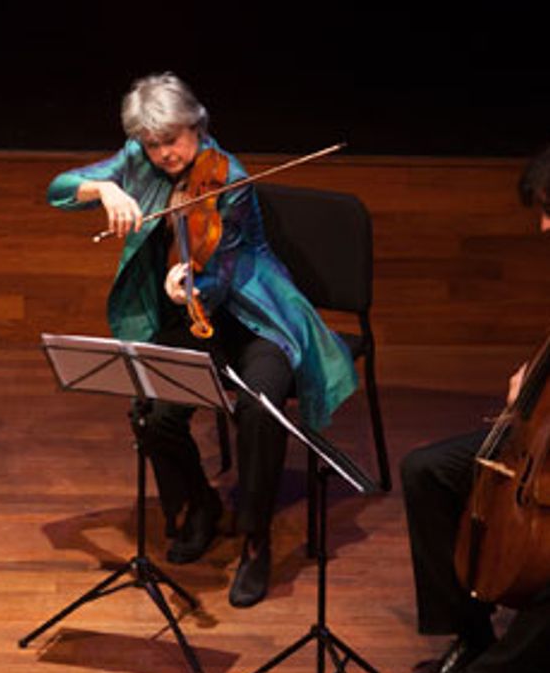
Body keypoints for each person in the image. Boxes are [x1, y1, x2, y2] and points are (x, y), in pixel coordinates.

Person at [47, 73, 357, 607]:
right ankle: (200, 504)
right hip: (195, 318)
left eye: (172, 140)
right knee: (154, 411)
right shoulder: (138, 160)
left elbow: (227, 270)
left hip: (257, 316)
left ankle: (256, 540)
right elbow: (58, 189)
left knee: (259, 408)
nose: (164, 154)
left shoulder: (229, 178)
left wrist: (190, 284)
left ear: (196, 125)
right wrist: (105, 189)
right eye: (153, 144)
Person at [398, 144, 550, 673]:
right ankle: (471, 637)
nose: (543, 225)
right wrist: (531, 377)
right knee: (426, 470)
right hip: (540, 444)